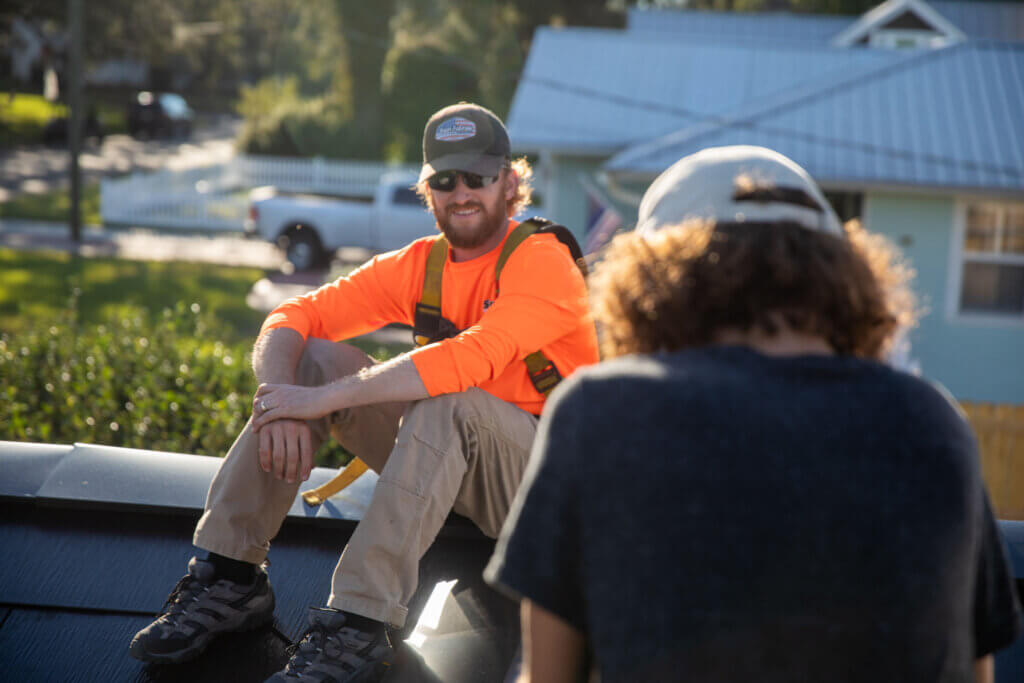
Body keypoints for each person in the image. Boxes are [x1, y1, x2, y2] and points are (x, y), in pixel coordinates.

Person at [486, 146, 1021, 683]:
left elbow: (548, 675)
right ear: (841, 274)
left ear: (648, 279)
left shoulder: (601, 413)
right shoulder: (933, 423)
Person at [129, 102, 599, 681]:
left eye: (478, 177)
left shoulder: (541, 260)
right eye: (445, 179)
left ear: (509, 181)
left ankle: (359, 621)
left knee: (448, 397)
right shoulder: (422, 265)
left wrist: (320, 404)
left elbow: (470, 358)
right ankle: (230, 575)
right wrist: (280, 400)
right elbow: (293, 313)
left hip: (547, 493)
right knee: (315, 358)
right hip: (452, 475)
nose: (462, 192)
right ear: (428, 189)